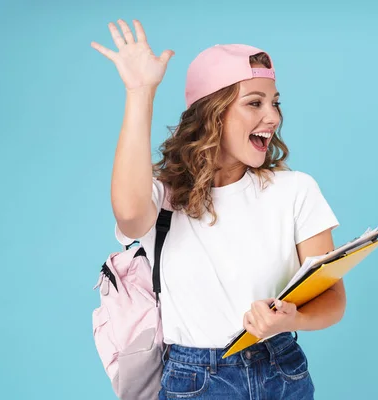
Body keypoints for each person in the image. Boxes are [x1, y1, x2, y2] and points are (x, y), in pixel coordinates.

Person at [91, 19, 347, 400]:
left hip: (281, 370)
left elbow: (332, 300)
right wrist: (140, 92)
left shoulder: (296, 190)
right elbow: (128, 213)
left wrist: (292, 319)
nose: (273, 117)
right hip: (194, 381)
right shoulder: (164, 198)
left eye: (274, 103)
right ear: (213, 114)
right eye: (254, 103)